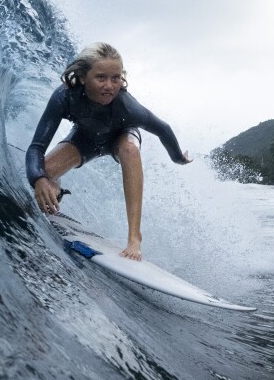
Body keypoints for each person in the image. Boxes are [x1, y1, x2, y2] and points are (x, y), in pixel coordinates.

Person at [25, 43, 191, 260]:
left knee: (130, 150)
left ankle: (134, 237)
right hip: (84, 139)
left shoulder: (127, 106)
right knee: (43, 172)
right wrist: (39, 179)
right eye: (101, 77)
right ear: (83, 77)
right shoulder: (65, 97)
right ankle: (55, 188)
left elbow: (163, 129)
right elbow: (36, 148)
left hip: (121, 137)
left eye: (116, 78)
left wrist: (178, 158)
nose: (110, 86)